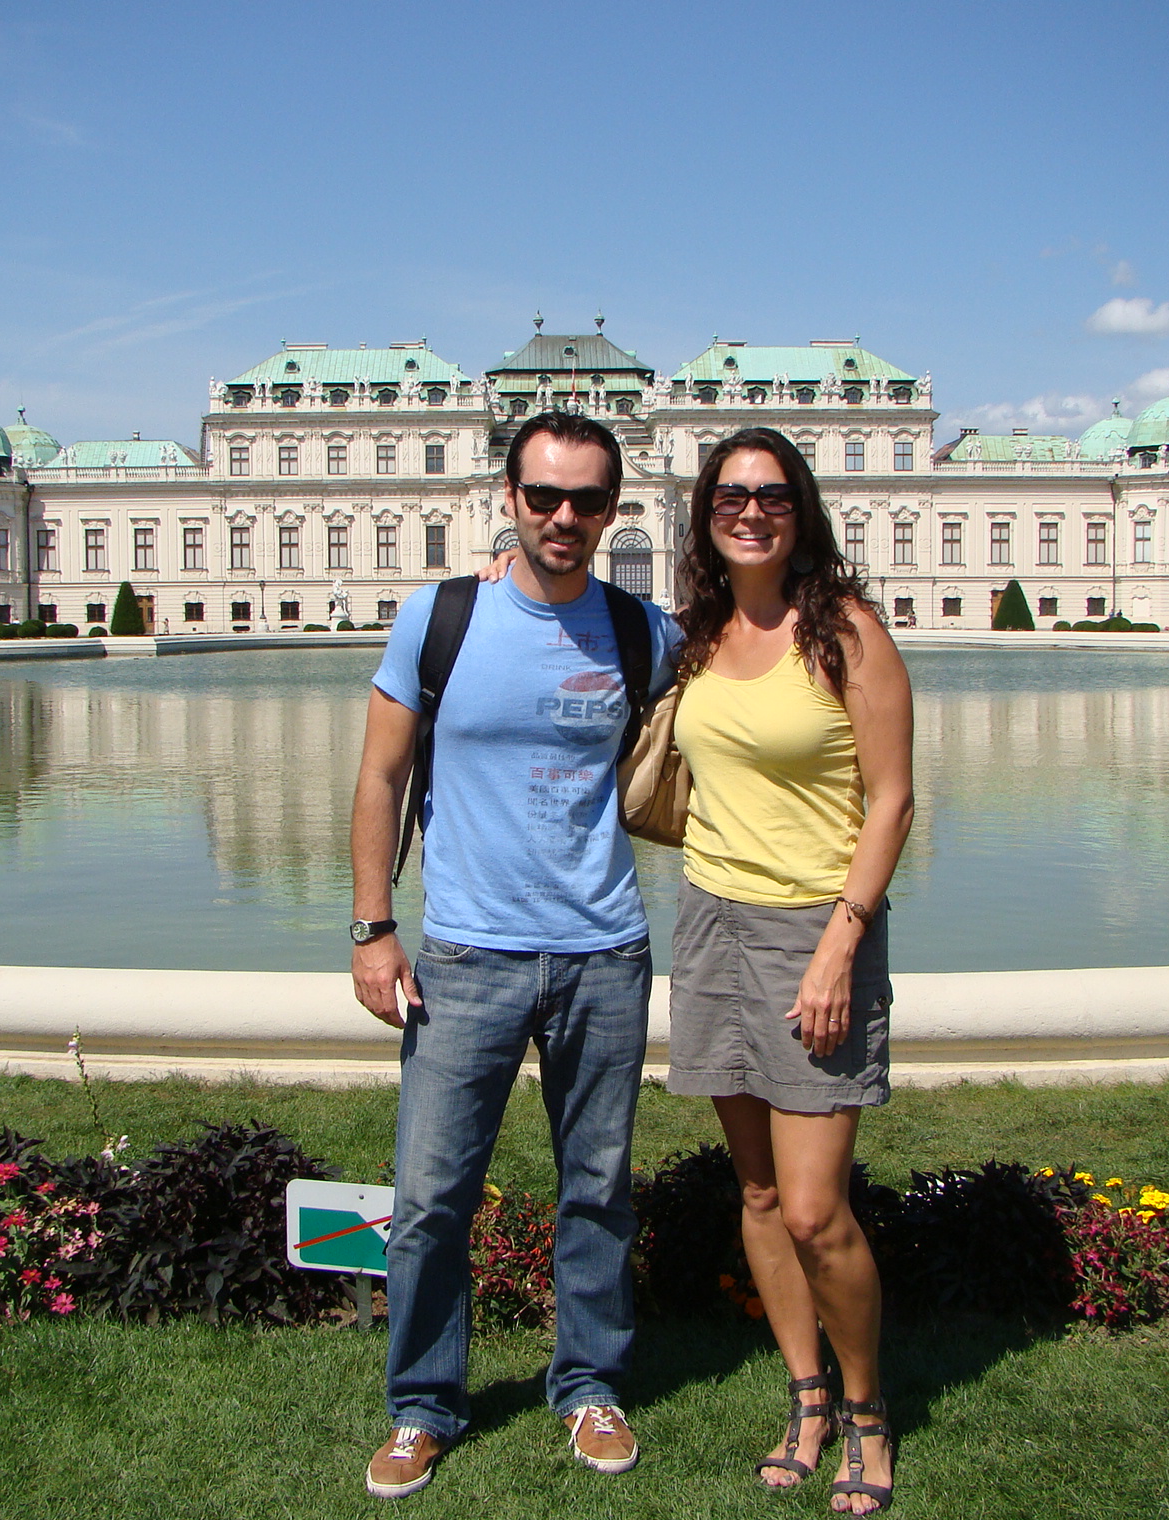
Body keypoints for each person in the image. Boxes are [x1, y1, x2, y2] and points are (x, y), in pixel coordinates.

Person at [350, 410, 681, 1500]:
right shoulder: (439, 618)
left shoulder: (642, 630)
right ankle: (421, 1405)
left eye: (585, 499)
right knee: (430, 1197)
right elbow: (379, 778)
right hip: (466, 954)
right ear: (509, 498)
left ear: (613, 509)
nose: (563, 517)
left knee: (597, 1191)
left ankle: (589, 1385)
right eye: (543, 496)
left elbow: (757, 675)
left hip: (604, 952)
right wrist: (372, 926)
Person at [668, 428, 914, 1515]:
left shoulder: (846, 631)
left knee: (816, 1210)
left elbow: (893, 798)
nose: (750, 511)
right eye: (730, 495)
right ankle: (806, 1398)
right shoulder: (698, 631)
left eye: (771, 495)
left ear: (800, 510)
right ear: (705, 514)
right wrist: (500, 566)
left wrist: (840, 943)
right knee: (760, 1194)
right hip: (710, 923)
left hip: (816, 929)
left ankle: (867, 1411)